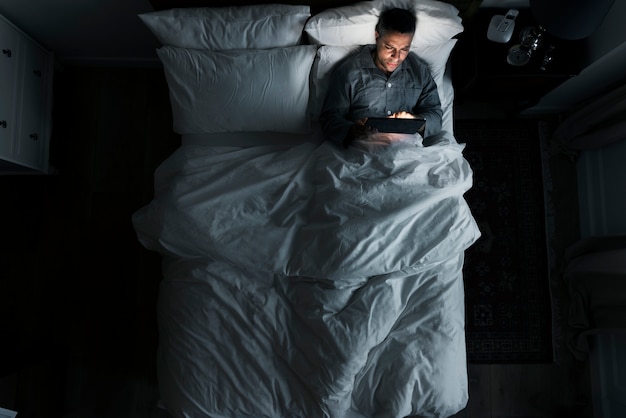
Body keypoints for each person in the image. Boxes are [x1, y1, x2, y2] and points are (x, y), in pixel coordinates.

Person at [320, 7, 443, 148]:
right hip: (361, 151)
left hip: (407, 152)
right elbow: (329, 118)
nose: (397, 57)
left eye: (404, 49)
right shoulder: (349, 72)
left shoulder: (419, 72)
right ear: (377, 36)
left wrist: (416, 120)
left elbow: (436, 116)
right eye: (390, 47)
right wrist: (351, 130)